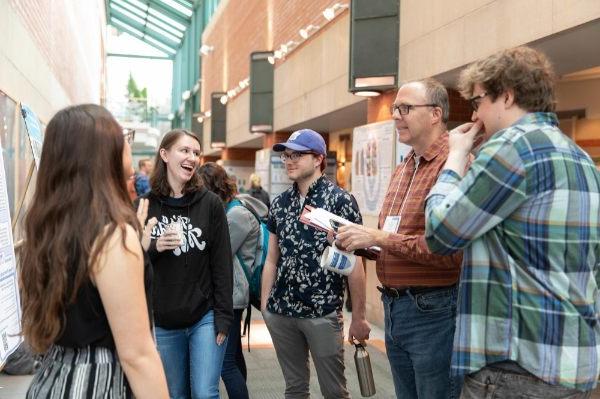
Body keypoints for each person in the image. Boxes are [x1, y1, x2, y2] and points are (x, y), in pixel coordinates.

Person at [425, 46, 600, 397]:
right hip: (571, 362)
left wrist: (455, 158)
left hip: (516, 365)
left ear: (506, 96)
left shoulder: (512, 147)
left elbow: (440, 232)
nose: (476, 116)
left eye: (477, 102)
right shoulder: (581, 159)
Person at [20, 104, 168, 398]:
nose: (127, 142)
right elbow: (137, 355)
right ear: (101, 153)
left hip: (54, 379)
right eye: (120, 135)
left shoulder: (52, 229)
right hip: (97, 383)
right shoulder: (112, 235)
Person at [336, 79, 464, 399]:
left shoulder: (455, 165)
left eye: (405, 108)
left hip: (432, 312)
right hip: (395, 307)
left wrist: (380, 236)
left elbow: (447, 252)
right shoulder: (405, 165)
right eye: (395, 108)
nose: (395, 116)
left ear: (436, 114)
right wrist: (359, 240)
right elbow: (392, 243)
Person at [261, 129, 371, 399]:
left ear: (319, 158)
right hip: (282, 311)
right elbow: (272, 258)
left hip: (322, 312)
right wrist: (265, 305)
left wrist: (359, 316)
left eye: (297, 155)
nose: (289, 160)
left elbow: (356, 265)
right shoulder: (280, 203)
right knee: (295, 389)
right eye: (286, 155)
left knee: (334, 392)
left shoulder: (340, 201)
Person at [139, 129, 233, 399]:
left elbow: (222, 264)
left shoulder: (211, 204)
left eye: (195, 152)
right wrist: (155, 247)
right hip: (163, 319)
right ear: (165, 154)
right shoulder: (145, 206)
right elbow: (132, 266)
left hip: (204, 316)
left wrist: (224, 318)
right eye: (184, 150)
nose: (192, 157)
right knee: (175, 394)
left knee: (205, 393)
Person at [199, 162, 268, 399]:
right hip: (233, 293)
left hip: (232, 294)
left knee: (226, 364)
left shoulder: (236, 215)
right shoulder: (233, 209)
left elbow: (217, 253)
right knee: (234, 358)